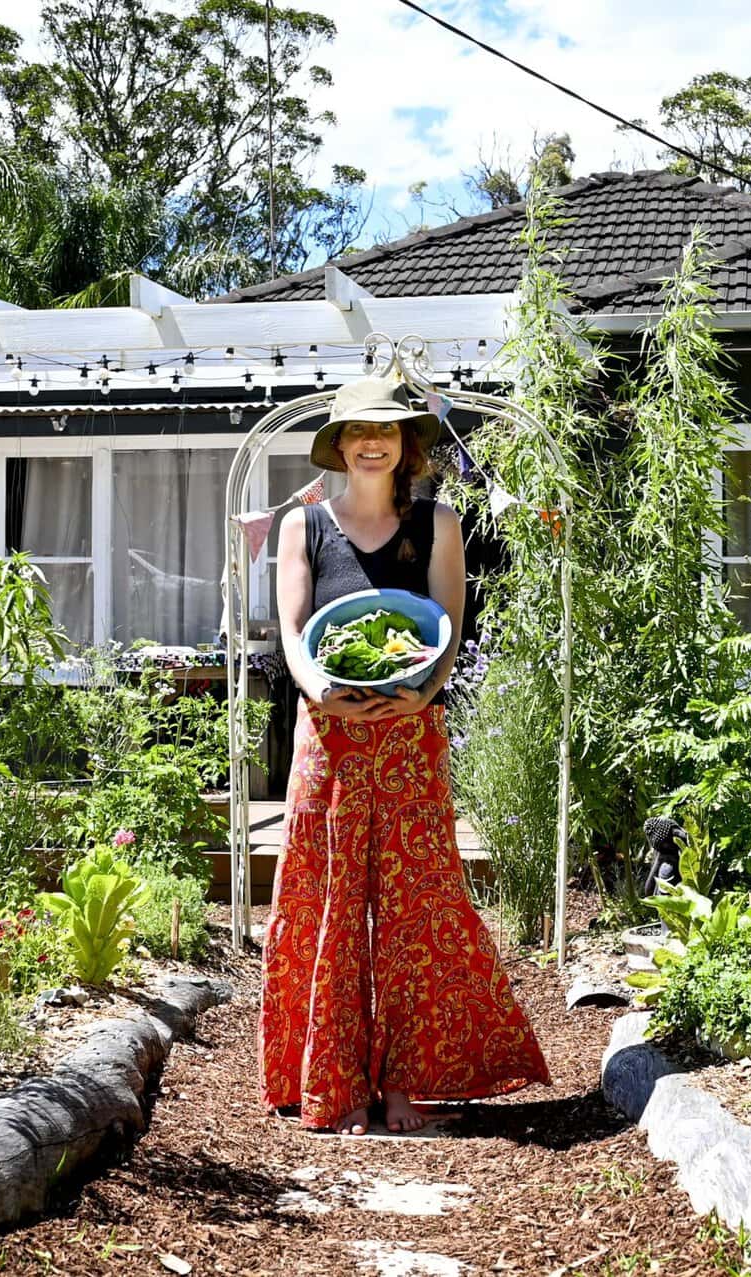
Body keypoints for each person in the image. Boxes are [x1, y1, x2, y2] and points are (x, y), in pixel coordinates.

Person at [257, 373, 551, 1135]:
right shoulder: (303, 527)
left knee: (416, 907)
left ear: (408, 444)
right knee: (330, 903)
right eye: (357, 430)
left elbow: (446, 627)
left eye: (385, 430)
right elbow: (293, 629)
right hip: (330, 737)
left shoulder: (438, 522)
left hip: (411, 736)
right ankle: (336, 1083)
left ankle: (406, 1084)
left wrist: (423, 695)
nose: (371, 441)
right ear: (340, 443)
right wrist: (316, 684)